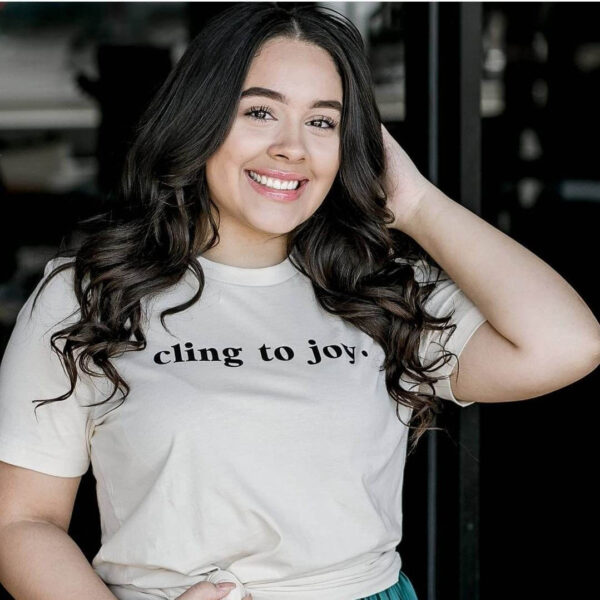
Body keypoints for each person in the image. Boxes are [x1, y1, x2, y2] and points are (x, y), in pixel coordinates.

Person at [0, 3, 599, 600]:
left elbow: (566, 344)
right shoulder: (88, 293)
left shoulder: (379, 292)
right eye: (260, 111)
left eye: (322, 122)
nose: (292, 147)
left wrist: (415, 203)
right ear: (201, 119)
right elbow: (22, 522)